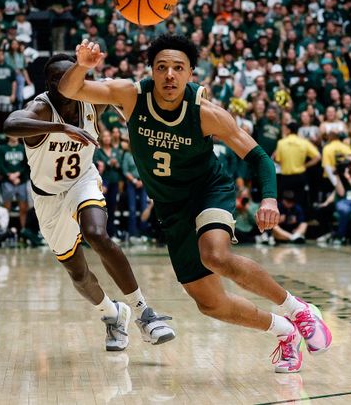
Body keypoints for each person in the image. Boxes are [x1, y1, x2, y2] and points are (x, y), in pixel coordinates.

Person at [59, 35, 332, 373]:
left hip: (208, 191)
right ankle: (285, 332)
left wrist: (270, 198)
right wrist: (82, 66)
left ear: (190, 74)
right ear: (152, 72)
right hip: (170, 208)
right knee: (211, 304)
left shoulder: (206, 114)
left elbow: (259, 156)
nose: (169, 75)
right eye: (162, 68)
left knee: (214, 254)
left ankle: (298, 309)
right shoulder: (131, 95)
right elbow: (71, 89)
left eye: (178, 68)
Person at [3, 53, 175, 352]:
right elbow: (10, 123)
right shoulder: (42, 109)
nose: (69, 84)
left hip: (83, 181)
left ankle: (144, 313)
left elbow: (132, 96)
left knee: (97, 233)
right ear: (51, 84)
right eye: (60, 79)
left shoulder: (93, 101)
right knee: (79, 274)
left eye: (74, 76)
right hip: (48, 198)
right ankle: (112, 314)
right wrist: (62, 129)